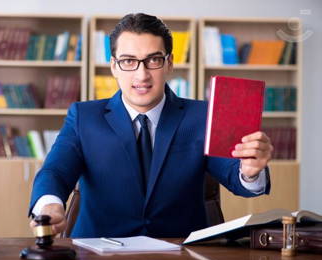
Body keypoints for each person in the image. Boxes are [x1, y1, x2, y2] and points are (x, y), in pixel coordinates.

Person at [28, 13, 273, 238]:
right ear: (114, 66)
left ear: (169, 63)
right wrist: (50, 204)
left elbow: (236, 176)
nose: (141, 74)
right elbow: (55, 171)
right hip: (98, 258)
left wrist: (250, 171)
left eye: (153, 60)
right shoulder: (84, 117)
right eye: (128, 61)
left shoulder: (202, 116)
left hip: (182, 258)